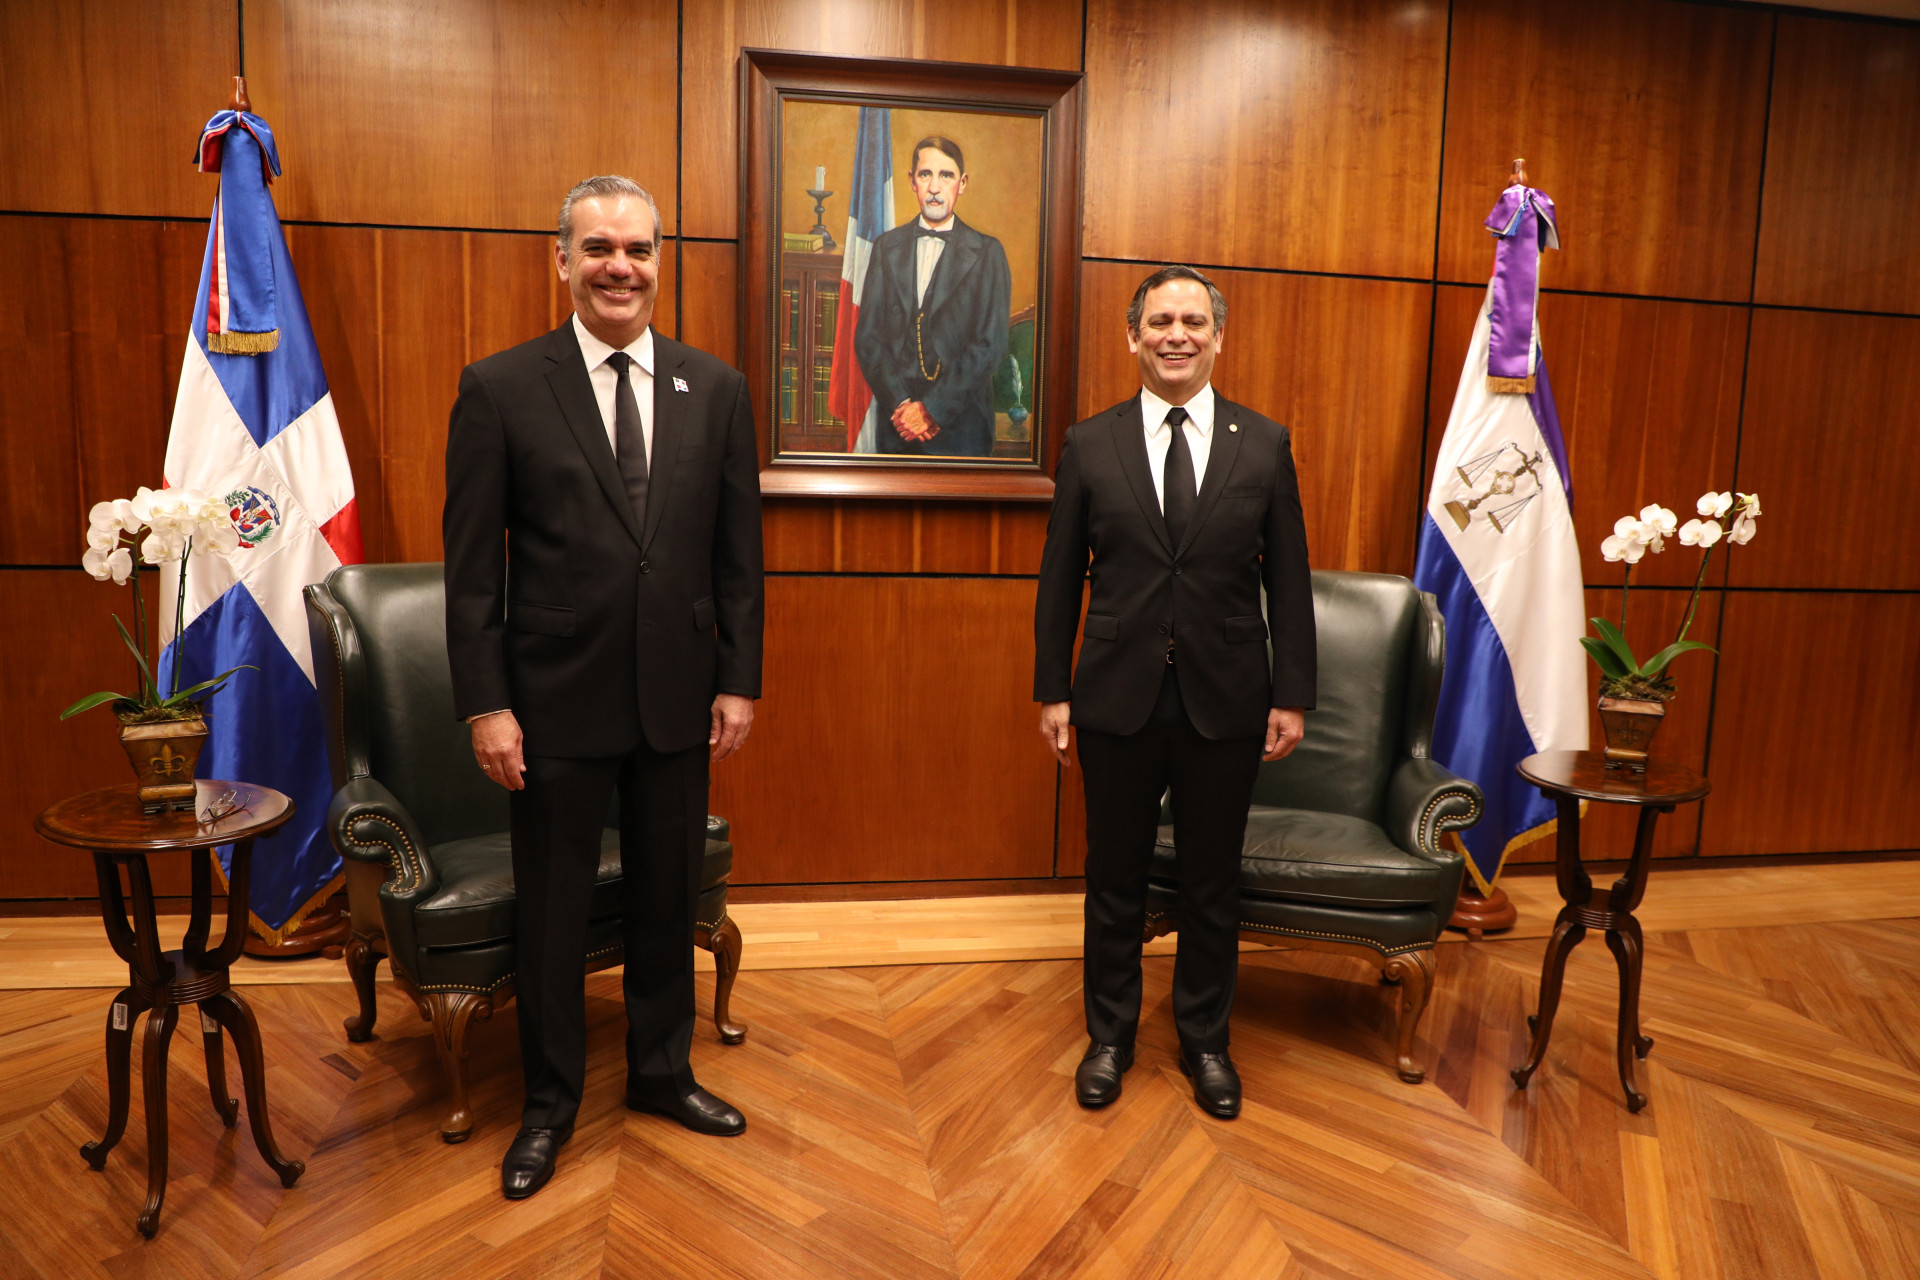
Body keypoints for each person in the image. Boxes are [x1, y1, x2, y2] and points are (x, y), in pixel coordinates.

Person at [443, 174, 764, 1200]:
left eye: (637, 248)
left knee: (668, 898)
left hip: (679, 696)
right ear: (563, 261)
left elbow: (738, 557)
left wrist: (738, 680)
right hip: (552, 703)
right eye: (598, 248)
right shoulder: (500, 387)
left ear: (661, 261)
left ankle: (663, 1073)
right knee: (553, 912)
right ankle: (548, 1104)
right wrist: (487, 703)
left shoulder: (716, 388)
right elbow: (472, 572)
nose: (619, 266)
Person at [1032, 266, 1315, 1120]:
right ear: (1134, 336)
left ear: (1218, 337)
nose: (1176, 335)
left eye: (1193, 321)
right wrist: (1053, 690)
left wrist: (1292, 694)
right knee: (1113, 877)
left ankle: (1205, 1042)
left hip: (1227, 698)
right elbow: (1059, 579)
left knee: (1211, 882)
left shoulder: (1263, 443)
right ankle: (1109, 1038)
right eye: (1160, 321)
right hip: (1114, 698)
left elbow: (1289, 580)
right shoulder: (1091, 443)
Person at [853, 136, 1011, 457]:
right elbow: (868, 339)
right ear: (912, 181)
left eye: (946, 175)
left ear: (962, 183)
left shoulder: (988, 252)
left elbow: (989, 347)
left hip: (962, 427)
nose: (935, 187)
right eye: (926, 175)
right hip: (897, 426)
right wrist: (902, 404)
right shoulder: (885, 247)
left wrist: (932, 410)